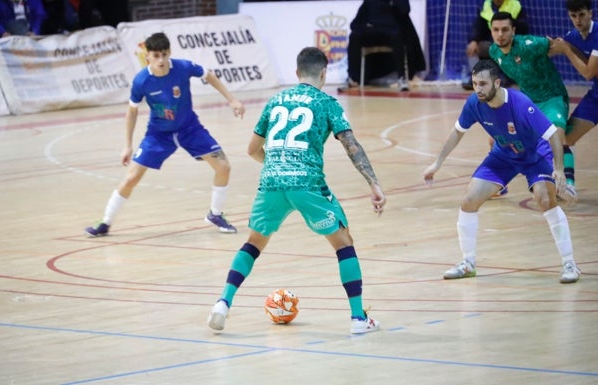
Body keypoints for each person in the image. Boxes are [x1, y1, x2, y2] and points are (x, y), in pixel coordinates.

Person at [208, 47, 386, 334]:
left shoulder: (276, 99)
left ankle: (222, 303)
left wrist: (277, 165)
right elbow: (351, 145)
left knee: (253, 244)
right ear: (324, 73)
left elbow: (252, 149)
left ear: (296, 73)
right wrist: (374, 184)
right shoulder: (327, 103)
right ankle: (357, 319)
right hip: (307, 183)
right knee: (343, 242)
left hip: (272, 182)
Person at [423, 59, 581, 284]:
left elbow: (554, 134)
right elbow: (458, 132)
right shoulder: (474, 104)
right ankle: (468, 263)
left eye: (483, 84)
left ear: (497, 83)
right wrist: (437, 163)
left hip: (535, 155)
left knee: (545, 199)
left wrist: (559, 170)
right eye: (475, 83)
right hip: (503, 156)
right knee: (469, 200)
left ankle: (569, 263)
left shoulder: (520, 104)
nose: (478, 89)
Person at [84, 32, 244, 237]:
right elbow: (132, 111)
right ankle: (105, 222)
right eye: (156, 55)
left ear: (169, 53)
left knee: (223, 166)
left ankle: (215, 214)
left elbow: (208, 74)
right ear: (147, 56)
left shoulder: (183, 68)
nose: (161, 60)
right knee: (132, 177)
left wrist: (232, 99)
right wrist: (127, 144)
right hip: (158, 135)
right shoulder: (142, 81)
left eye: (164, 54)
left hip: (189, 129)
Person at [487, 11, 577, 202]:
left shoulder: (530, 44)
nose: (500, 34)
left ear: (513, 31)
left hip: (552, 96)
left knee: (557, 137)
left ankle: (567, 183)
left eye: (505, 30)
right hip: (528, 102)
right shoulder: (494, 52)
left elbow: (558, 45)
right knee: (496, 138)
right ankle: (499, 183)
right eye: (496, 30)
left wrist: (564, 51)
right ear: (491, 31)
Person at [549, 0, 598, 179]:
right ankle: (569, 185)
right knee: (565, 138)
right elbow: (552, 49)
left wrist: (566, 49)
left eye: (581, 14)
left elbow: (588, 73)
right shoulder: (572, 36)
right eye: (573, 16)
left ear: (591, 13)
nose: (578, 20)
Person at [344, 0, 425, 91]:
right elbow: (355, 22)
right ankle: (352, 78)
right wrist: (362, 27)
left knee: (397, 35)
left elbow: (405, 10)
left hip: (390, 31)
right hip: (372, 30)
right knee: (354, 36)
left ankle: (401, 78)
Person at [462, 0, 528, 90]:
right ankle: (476, 77)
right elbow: (478, 26)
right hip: (491, 43)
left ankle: (503, 76)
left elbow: (524, 28)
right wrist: (473, 40)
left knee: (505, 49)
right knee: (473, 47)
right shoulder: (486, 6)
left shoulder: (515, 6)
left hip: (510, 43)